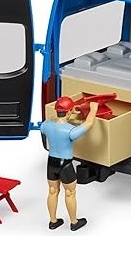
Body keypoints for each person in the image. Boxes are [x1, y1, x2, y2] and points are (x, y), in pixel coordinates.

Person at [40, 96, 99, 231]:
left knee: (52, 191)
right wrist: (93, 109)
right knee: (70, 192)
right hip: (65, 164)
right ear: (69, 111)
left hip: (51, 163)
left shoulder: (46, 125)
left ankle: (53, 221)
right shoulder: (70, 131)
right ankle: (74, 222)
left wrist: (70, 112)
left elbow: (50, 121)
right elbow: (89, 124)